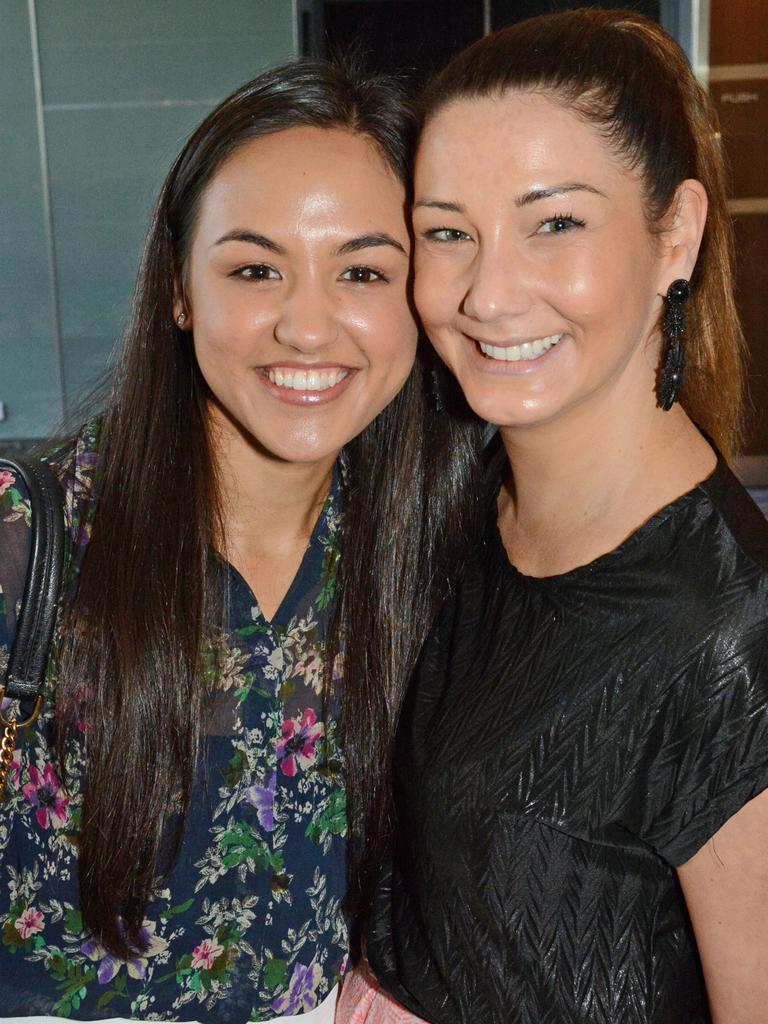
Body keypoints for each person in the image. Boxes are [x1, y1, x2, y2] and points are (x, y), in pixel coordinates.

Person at [0, 60, 476, 1023]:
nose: (306, 327)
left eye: (363, 271)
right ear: (180, 289)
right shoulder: (29, 539)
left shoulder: (433, 551)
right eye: (255, 268)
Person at [338, 10, 768, 1024]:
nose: (489, 292)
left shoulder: (731, 642)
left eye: (555, 223)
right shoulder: (448, 514)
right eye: (448, 232)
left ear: (677, 234)